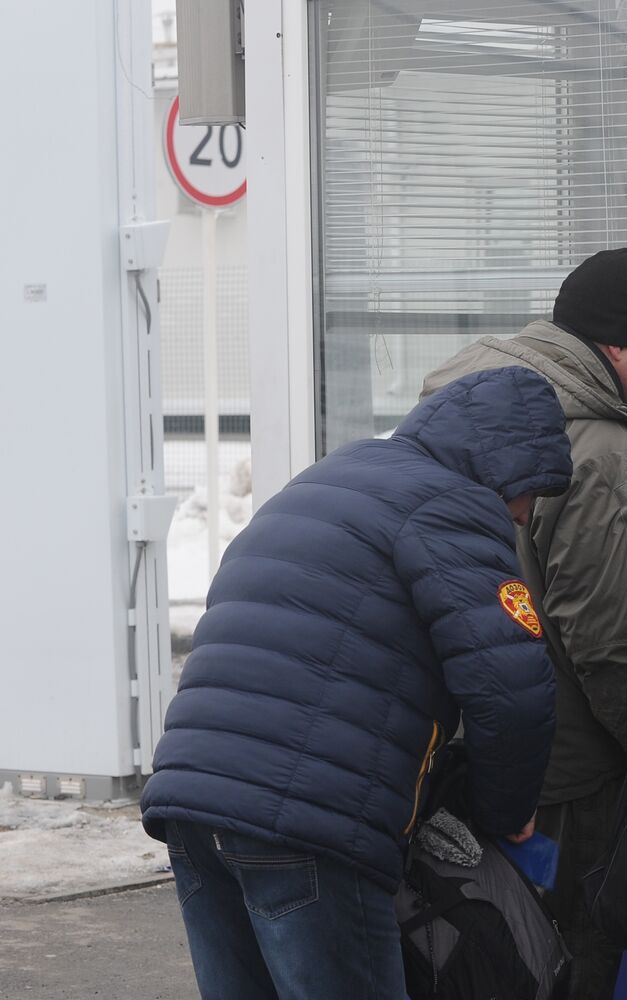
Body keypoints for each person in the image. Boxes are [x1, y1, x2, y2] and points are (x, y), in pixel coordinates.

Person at [140, 366, 574, 1000]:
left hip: (192, 802)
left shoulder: (325, 479)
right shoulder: (455, 504)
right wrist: (505, 816)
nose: (527, 513)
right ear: (507, 467)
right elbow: (511, 688)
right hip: (307, 823)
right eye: (532, 492)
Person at [421, 247, 627, 999]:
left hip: (457, 748)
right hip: (566, 781)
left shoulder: (455, 408)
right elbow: (617, 640)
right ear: (616, 345)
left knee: (482, 945)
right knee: (568, 954)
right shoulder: (601, 449)